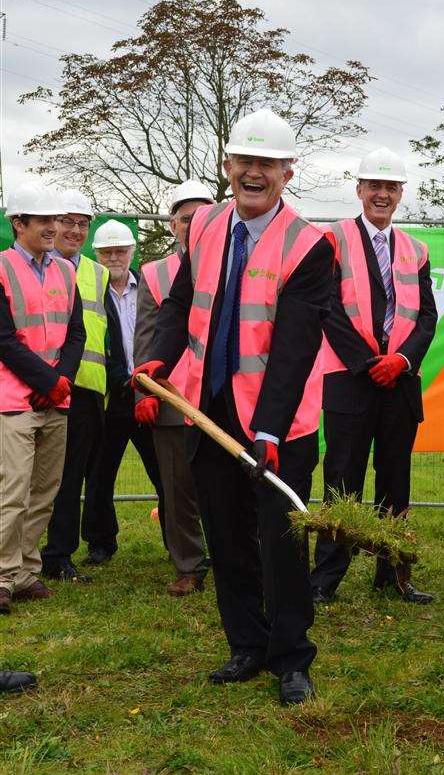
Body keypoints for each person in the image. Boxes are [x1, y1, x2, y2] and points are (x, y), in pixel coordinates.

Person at [133, 108, 333, 706]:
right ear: (227, 167)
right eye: (244, 161)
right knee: (225, 532)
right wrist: (157, 360)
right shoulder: (208, 226)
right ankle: (246, 642)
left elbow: (296, 351)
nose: (253, 173)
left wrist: (269, 431)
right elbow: (178, 304)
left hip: (278, 420)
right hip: (208, 408)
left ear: (286, 172)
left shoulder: (309, 245)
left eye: (265, 164)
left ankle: (291, 655)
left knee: (281, 539)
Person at [309, 147, 437, 605]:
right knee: (341, 480)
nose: (382, 194)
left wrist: (400, 361)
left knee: (395, 481)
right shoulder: (332, 240)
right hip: (351, 378)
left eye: (391, 187)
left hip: (400, 383)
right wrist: (369, 363)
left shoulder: (416, 249)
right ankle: (325, 579)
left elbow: (426, 317)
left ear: (400, 194)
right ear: (359, 190)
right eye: (374, 186)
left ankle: (392, 575)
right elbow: (326, 308)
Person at [0, 181, 85, 613]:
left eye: (57, 219)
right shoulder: (0, 268)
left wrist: (61, 382)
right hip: (14, 399)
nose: (54, 227)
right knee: (12, 491)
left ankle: (25, 573)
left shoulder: (67, 271)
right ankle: (1, 575)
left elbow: (75, 334)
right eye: (45, 221)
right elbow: (3, 340)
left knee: (44, 491)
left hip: (56, 399)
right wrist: (45, 383)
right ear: (19, 224)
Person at [134, 179, 213, 596]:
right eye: (186, 218)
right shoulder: (155, 273)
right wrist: (143, 392)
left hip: (219, 396)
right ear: (172, 225)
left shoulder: (230, 261)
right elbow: (145, 339)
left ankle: (235, 553)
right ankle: (189, 565)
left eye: (202, 216)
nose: (193, 225)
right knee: (177, 486)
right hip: (169, 397)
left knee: (223, 483)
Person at [81, 220, 166, 566]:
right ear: (97, 255)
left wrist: (150, 381)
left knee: (166, 474)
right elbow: (93, 343)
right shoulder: (89, 292)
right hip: (113, 396)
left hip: (151, 394)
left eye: (120, 250)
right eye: (106, 252)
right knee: (100, 473)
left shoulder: (150, 286)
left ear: (133, 251)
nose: (114, 257)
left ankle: (178, 542)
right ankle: (101, 543)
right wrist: (122, 379)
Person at [41, 190, 111, 583]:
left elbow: (105, 333)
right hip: (42, 385)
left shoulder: (97, 272)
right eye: (68, 221)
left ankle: (58, 555)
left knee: (70, 479)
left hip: (85, 390)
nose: (75, 230)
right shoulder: (38, 267)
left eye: (83, 223)